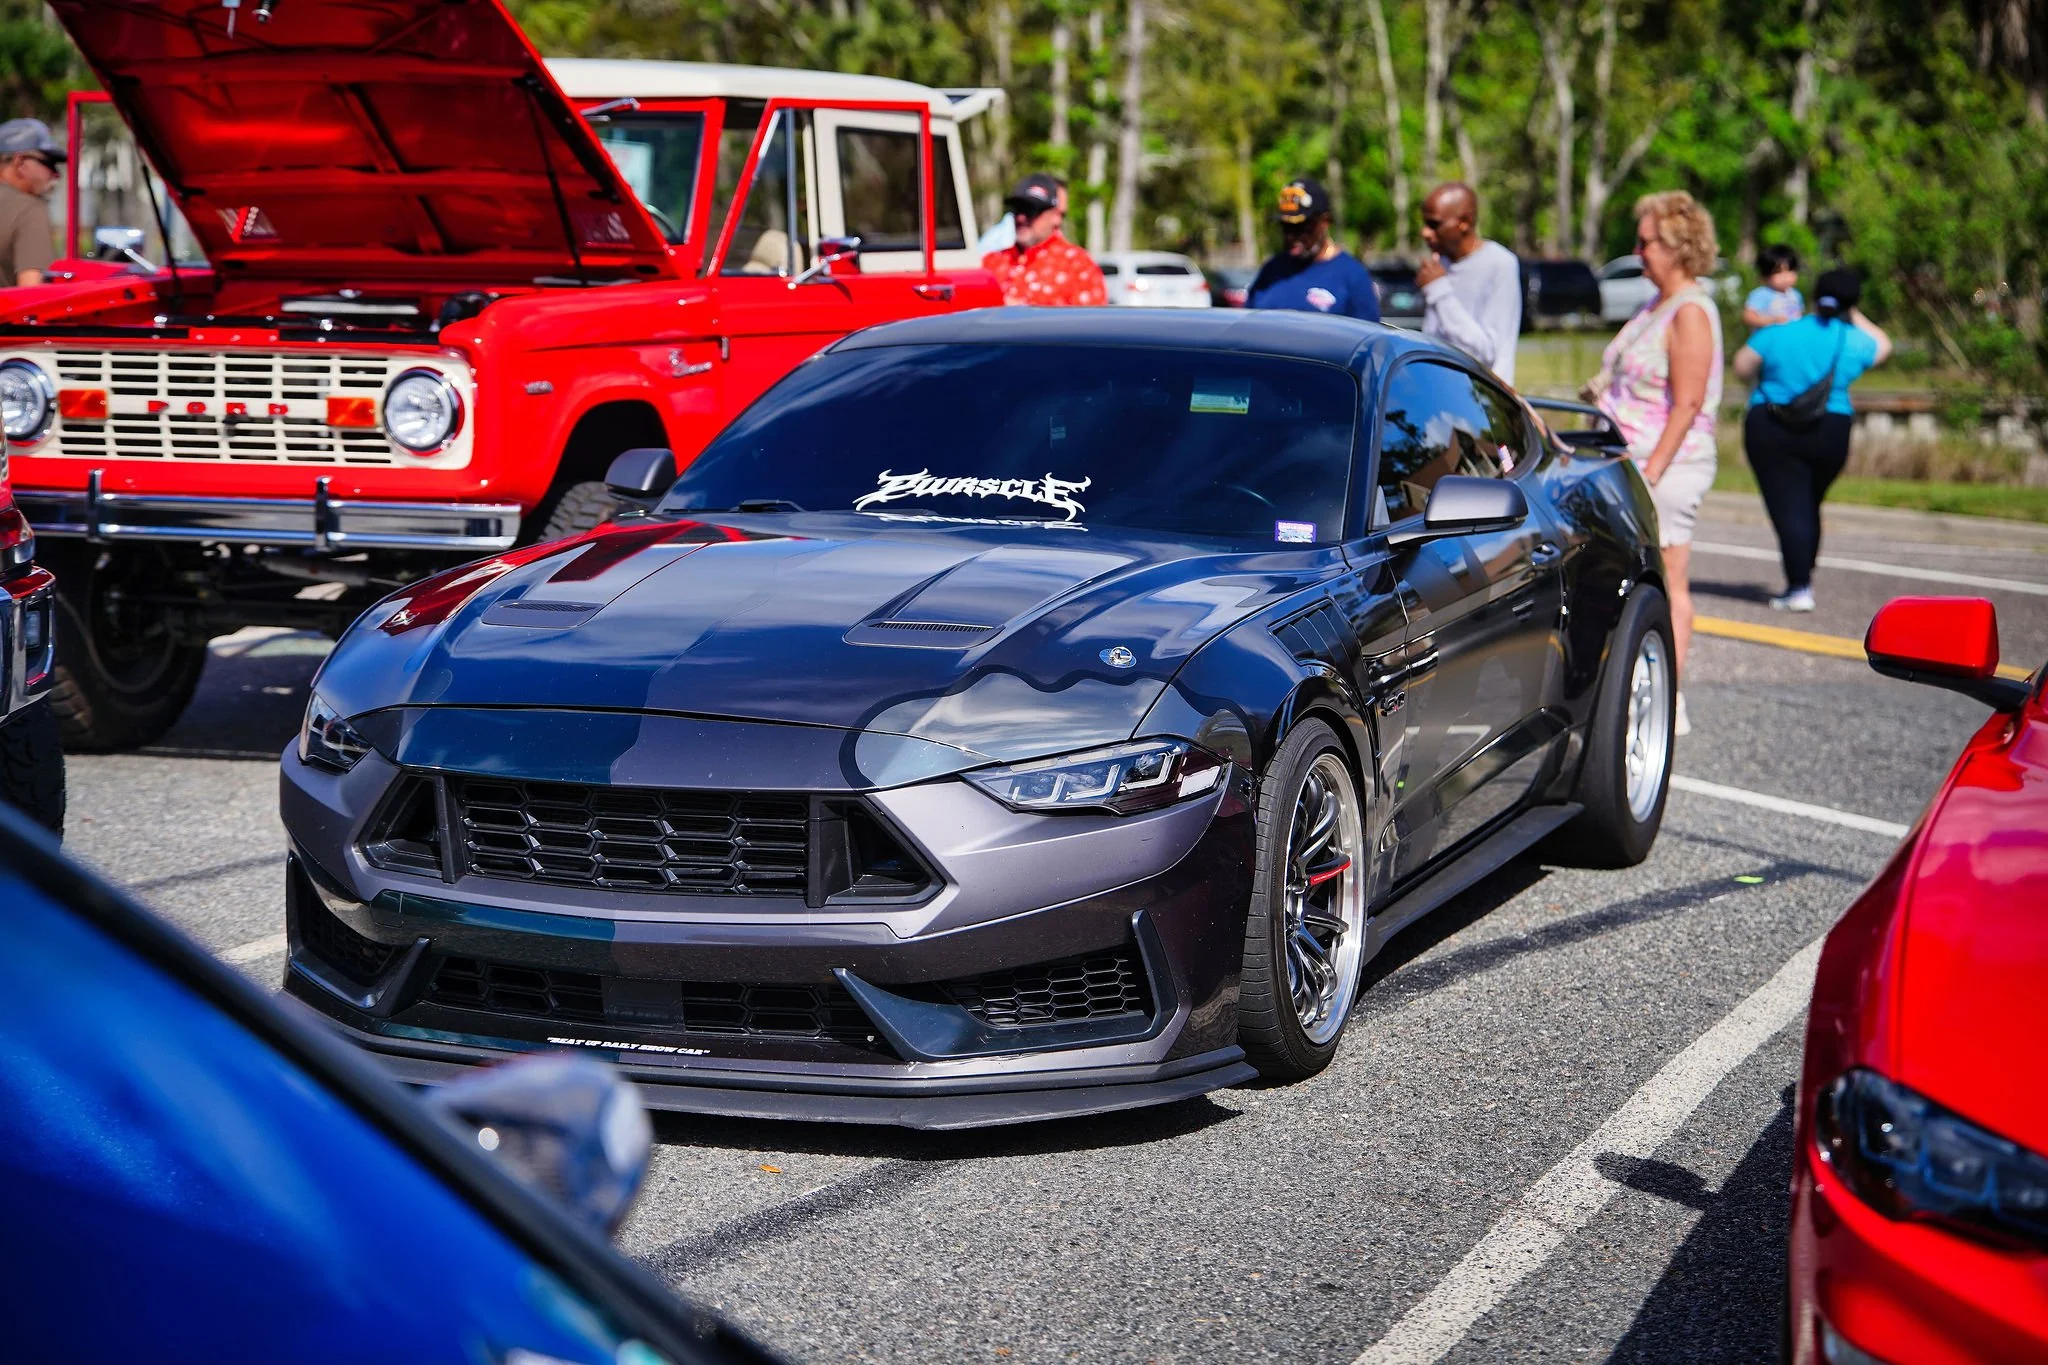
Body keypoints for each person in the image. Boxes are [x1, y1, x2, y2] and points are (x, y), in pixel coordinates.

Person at [1589, 190, 1724, 737]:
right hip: (1632, 458)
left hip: (1664, 466)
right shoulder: (1658, 305)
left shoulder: (1691, 310)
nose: (1638, 252)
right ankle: (1635, 685)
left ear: (1679, 247)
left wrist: (1653, 472)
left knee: (1668, 580)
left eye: (1647, 243)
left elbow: (1688, 402)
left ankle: (1668, 697)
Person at [1734, 267, 1891, 613]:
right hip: (1832, 429)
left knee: (1790, 507)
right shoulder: (1851, 338)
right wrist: (1851, 311)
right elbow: (1884, 345)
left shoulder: (1779, 332)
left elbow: (1742, 366)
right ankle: (1802, 578)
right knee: (1808, 504)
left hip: (1772, 426)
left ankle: (1799, 586)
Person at [1416, 182, 1521, 385]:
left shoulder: (1499, 264)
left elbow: (1484, 354)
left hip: (1480, 402)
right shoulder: (1441, 264)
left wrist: (1438, 291)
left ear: (1464, 222)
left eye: (1434, 224)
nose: (1425, 233)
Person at [1245, 177, 1380, 322]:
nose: (1292, 236)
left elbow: (1369, 338)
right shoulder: (1271, 271)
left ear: (1325, 222)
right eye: (1286, 227)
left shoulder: (1353, 276)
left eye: (1302, 227)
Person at [980, 173, 1107, 308]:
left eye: (1030, 210)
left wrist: (1023, 314)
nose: (1021, 218)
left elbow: (1090, 324)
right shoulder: (992, 263)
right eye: (1017, 209)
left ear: (1055, 215)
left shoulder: (1077, 266)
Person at [0, 119, 62, 288]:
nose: (56, 174)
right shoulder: (30, 210)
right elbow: (32, 294)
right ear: (19, 162)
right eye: (48, 163)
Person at [1743, 244, 1804, 332]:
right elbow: (1748, 317)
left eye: (1790, 270)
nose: (1785, 277)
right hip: (1768, 341)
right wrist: (1771, 320)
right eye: (1778, 272)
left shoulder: (1796, 294)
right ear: (1765, 276)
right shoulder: (1761, 294)